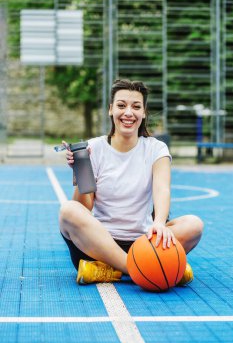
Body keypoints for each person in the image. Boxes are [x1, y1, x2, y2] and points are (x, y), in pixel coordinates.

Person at [59, 79, 204, 285]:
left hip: (144, 242)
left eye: (136, 107)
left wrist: (159, 223)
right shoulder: (93, 148)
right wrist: (81, 172)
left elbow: (162, 189)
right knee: (68, 210)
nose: (128, 112)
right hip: (100, 245)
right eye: (121, 105)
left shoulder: (157, 149)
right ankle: (144, 269)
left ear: (144, 112)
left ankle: (112, 271)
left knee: (194, 225)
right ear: (111, 110)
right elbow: (84, 208)